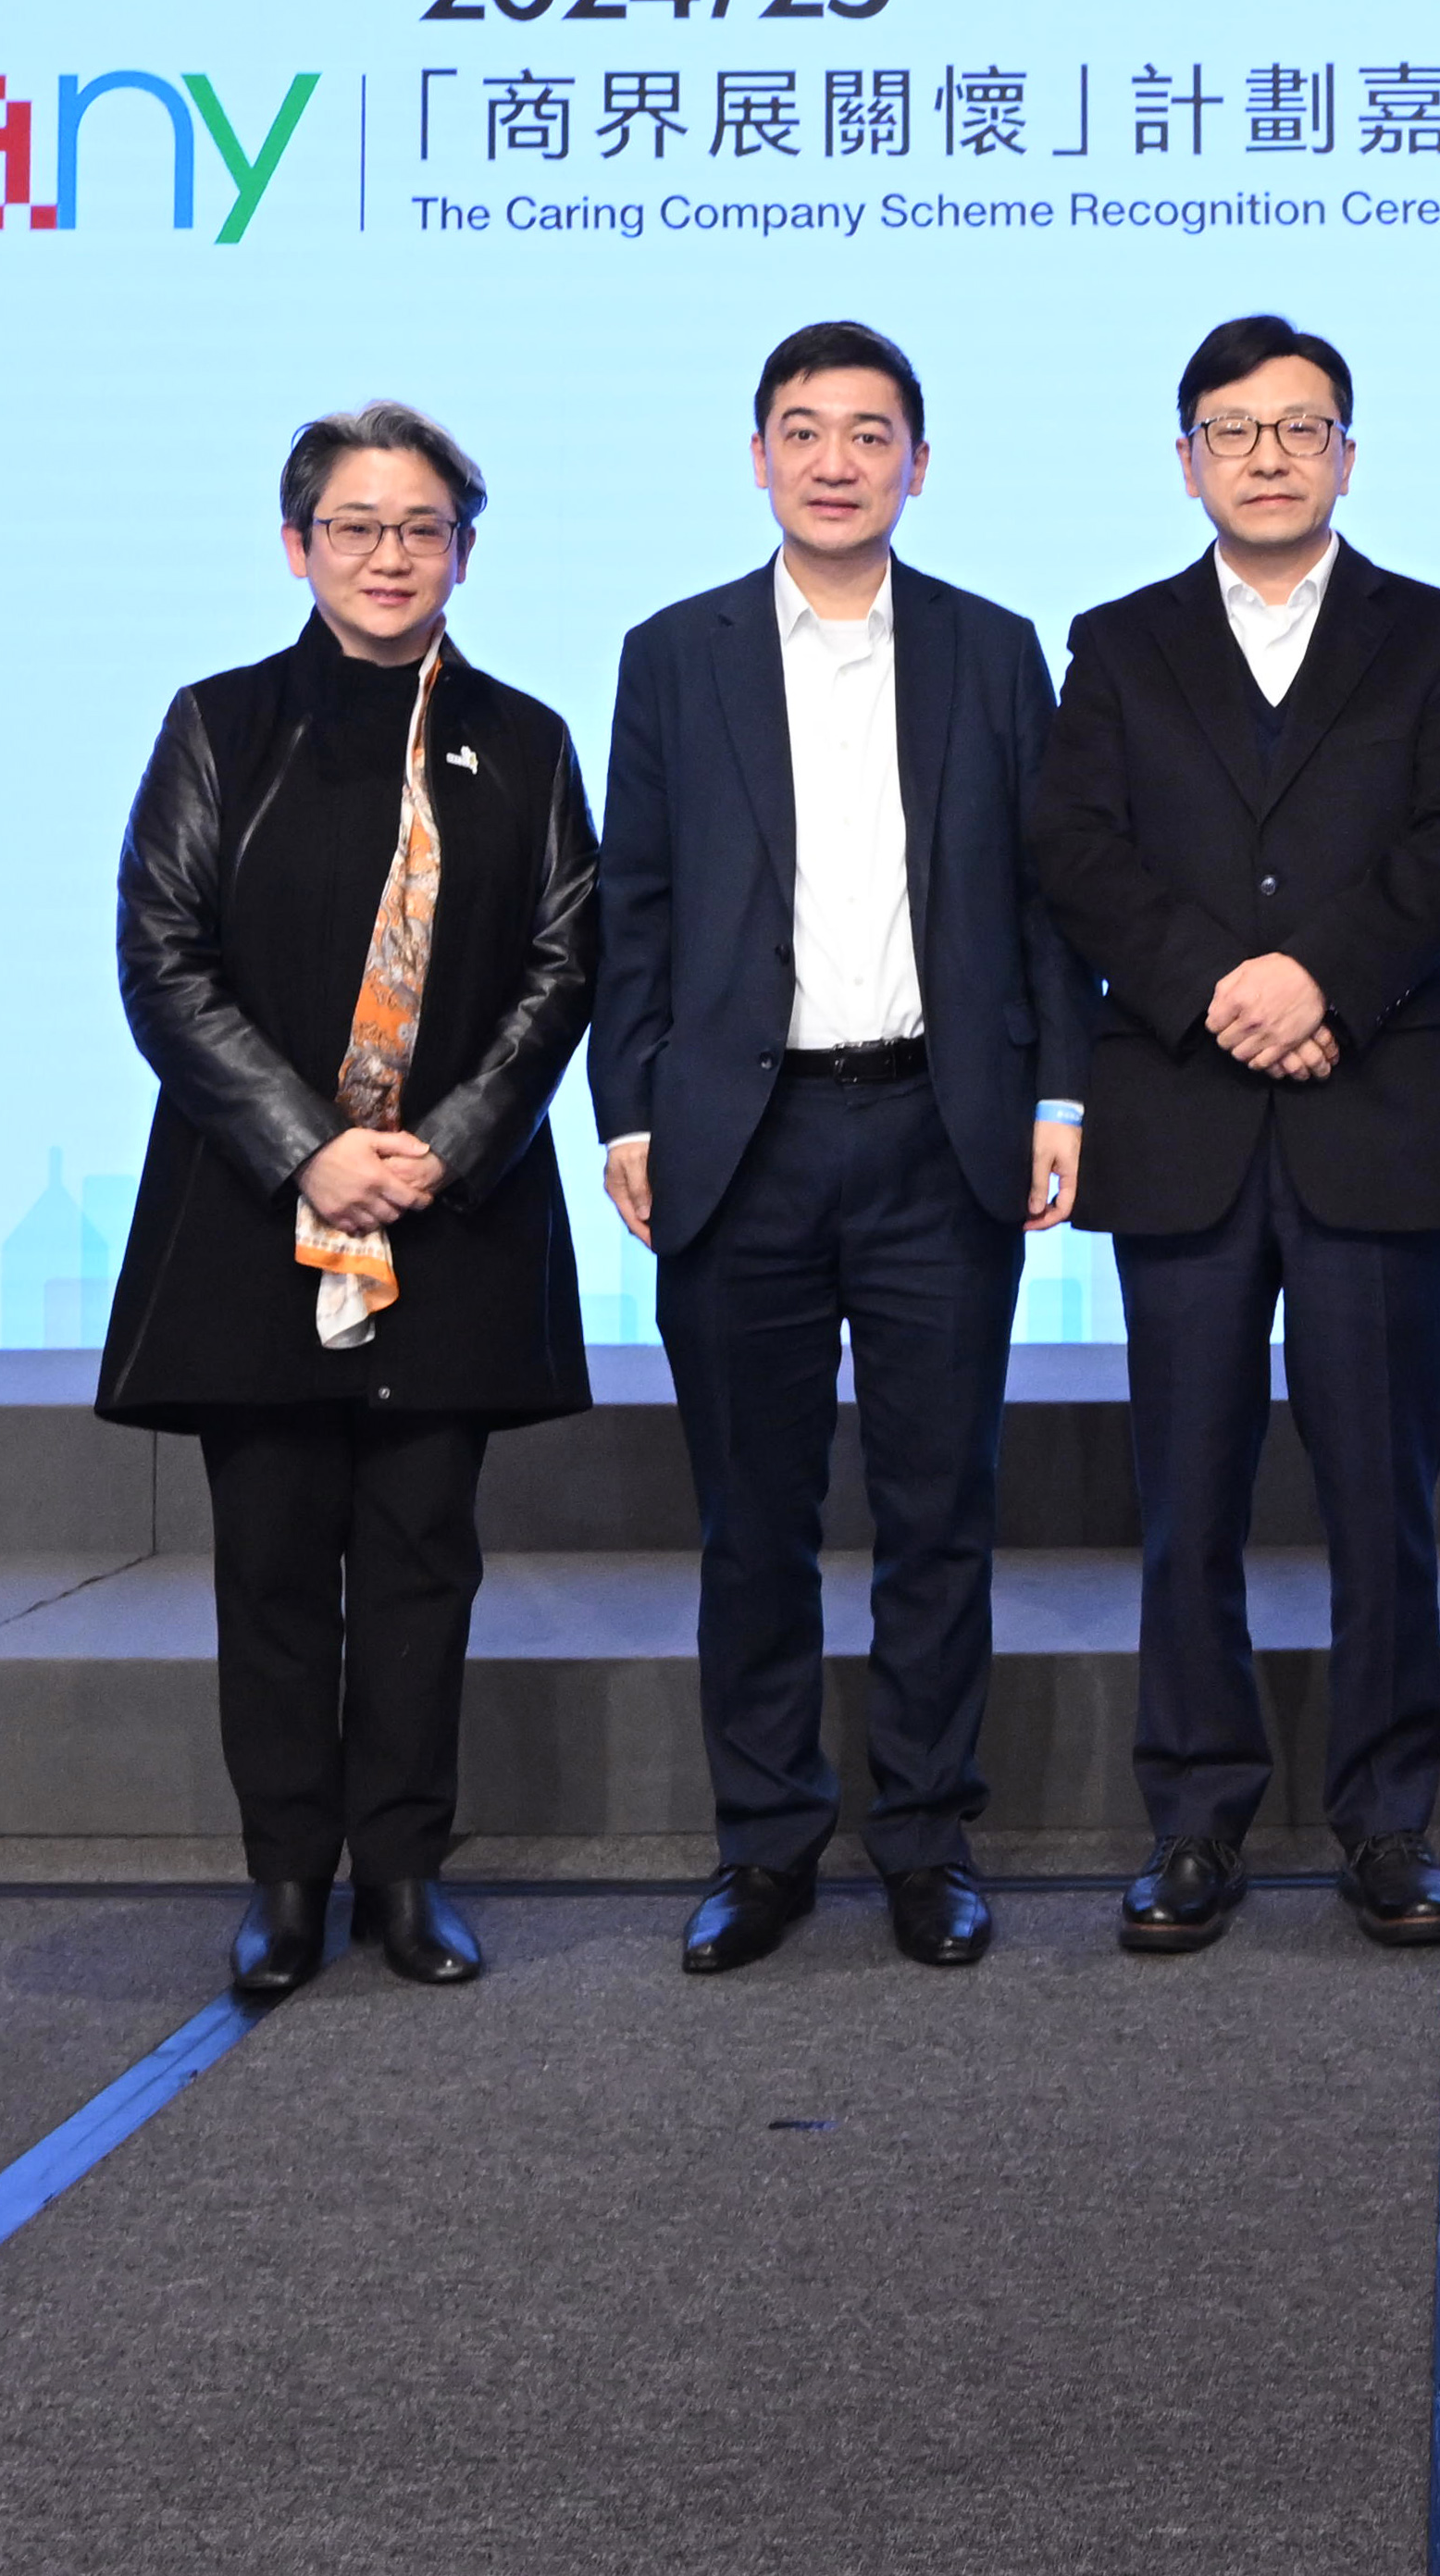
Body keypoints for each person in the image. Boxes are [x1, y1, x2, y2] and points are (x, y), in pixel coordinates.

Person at [595, 322, 1092, 1977]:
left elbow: (1043, 906)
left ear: (917, 466)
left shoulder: (992, 650)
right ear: (756, 457)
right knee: (755, 1517)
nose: (831, 460)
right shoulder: (673, 656)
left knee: (940, 1509)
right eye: (800, 431)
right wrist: (631, 1108)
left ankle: (929, 1837)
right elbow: (637, 911)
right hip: (744, 1139)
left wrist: (1059, 1098)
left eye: (866, 434)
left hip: (937, 1130)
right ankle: (764, 1842)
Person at [96, 402, 601, 1999]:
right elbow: (161, 958)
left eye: (424, 529)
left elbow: (562, 961)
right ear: (298, 540)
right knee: (269, 1565)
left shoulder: (522, 739)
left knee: (419, 1559)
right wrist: (307, 1146)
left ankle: (405, 1874)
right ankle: (285, 1885)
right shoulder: (221, 725)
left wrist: (444, 1141)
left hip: (449, 1217)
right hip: (259, 1216)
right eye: (357, 527)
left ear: (465, 550)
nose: (391, 557)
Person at [1029, 316, 1440, 1954]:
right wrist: (1216, 989)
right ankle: (1194, 1822)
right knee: (1187, 1496)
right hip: (1182, 1109)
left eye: (1300, 429)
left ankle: (1388, 1824)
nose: (1267, 457)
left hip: (1369, 1102)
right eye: (1232, 432)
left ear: (1348, 456)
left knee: (1384, 1492)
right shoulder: (1113, 640)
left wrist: (1320, 981)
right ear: (1185, 460)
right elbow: (1077, 849)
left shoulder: (1436, 634)